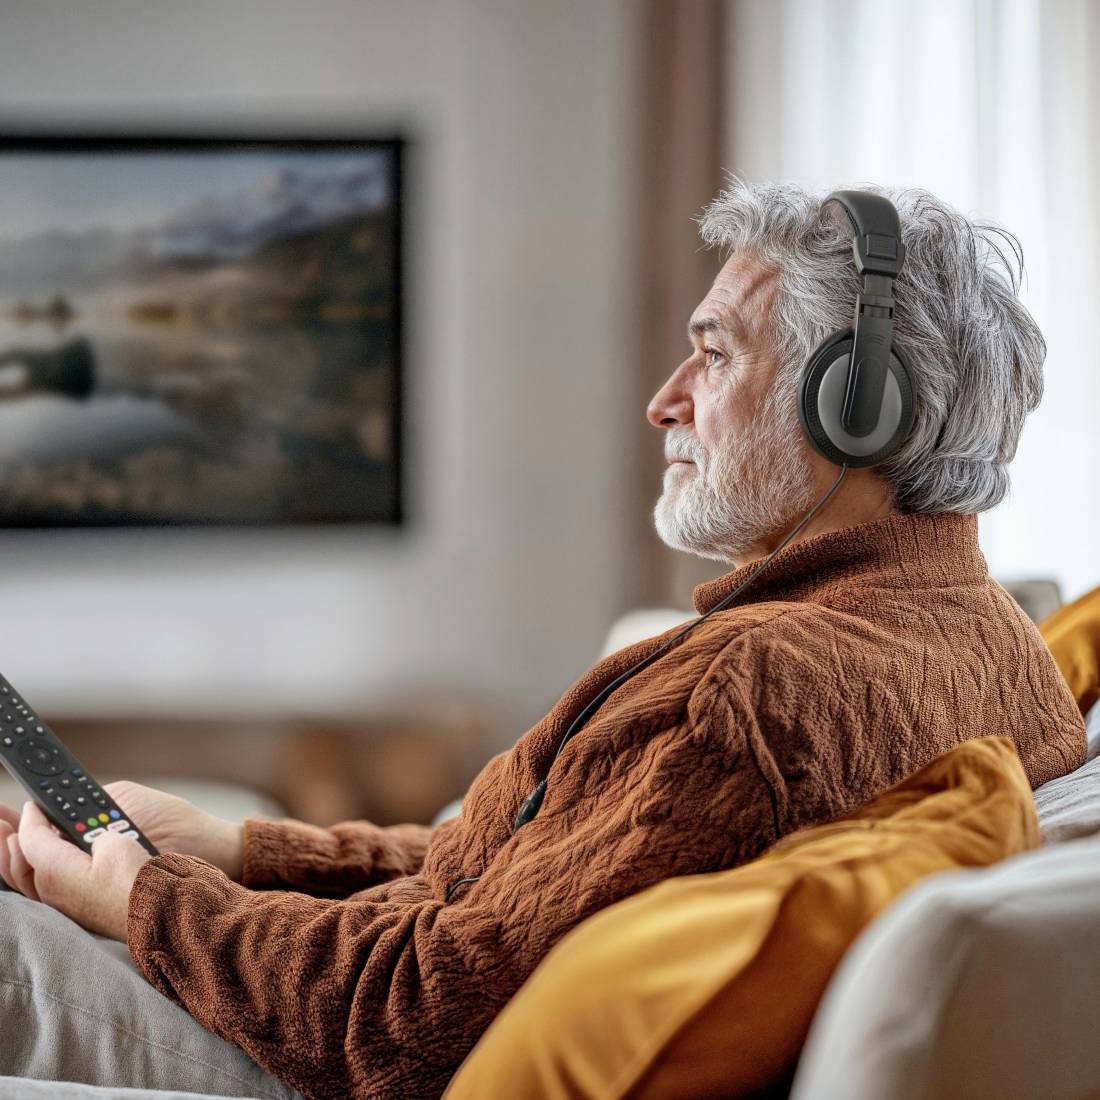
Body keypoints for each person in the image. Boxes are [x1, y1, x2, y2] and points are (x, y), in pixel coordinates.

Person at [0, 181, 1086, 1100]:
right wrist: (240, 850)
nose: (664, 400)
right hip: (331, 983)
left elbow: (403, 1020)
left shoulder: (749, 691)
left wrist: (138, 898)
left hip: (323, 1048)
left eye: (711, 355)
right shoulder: (997, 641)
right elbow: (543, 877)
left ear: (854, 406)